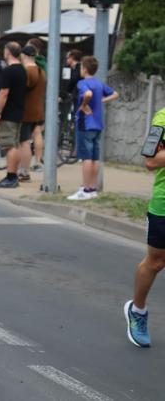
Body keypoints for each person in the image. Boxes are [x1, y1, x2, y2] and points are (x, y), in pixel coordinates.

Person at [125, 107, 165, 348]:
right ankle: (137, 310)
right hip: (164, 203)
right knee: (157, 262)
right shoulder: (162, 119)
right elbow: (151, 161)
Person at [67, 56, 119, 200]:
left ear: (84, 68)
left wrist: (84, 105)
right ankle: (92, 189)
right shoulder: (99, 83)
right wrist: (103, 100)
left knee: (86, 157)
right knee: (95, 158)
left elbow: (88, 94)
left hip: (85, 124)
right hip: (98, 124)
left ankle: (84, 189)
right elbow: (115, 94)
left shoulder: (82, 83)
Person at [0, 42, 27, 188]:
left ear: (8, 52)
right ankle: (14, 175)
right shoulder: (22, 70)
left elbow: (4, 93)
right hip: (18, 111)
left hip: (8, 113)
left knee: (9, 145)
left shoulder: (9, 71)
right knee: (15, 144)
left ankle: (11, 176)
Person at [18, 45, 46, 182]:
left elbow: (22, 91)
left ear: (23, 56)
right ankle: (38, 162)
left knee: (24, 142)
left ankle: (24, 171)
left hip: (27, 111)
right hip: (39, 110)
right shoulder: (41, 71)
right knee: (37, 134)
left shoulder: (28, 71)